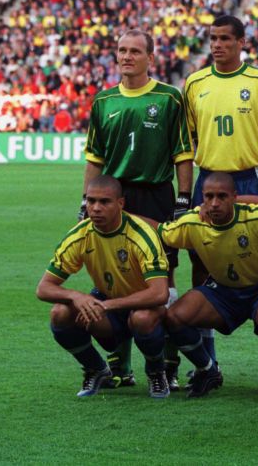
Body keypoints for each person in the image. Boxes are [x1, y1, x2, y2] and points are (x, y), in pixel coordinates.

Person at [82, 29, 194, 389]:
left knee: (165, 274)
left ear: (150, 56)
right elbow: (94, 158)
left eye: (135, 51)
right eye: (121, 51)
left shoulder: (168, 98)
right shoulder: (103, 101)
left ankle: (169, 362)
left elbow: (182, 154)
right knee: (107, 271)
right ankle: (120, 365)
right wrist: (86, 200)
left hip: (155, 194)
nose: (127, 56)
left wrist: (183, 199)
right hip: (113, 193)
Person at [183, 14, 258, 372]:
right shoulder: (195, 83)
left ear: (242, 42)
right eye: (213, 38)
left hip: (249, 179)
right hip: (208, 178)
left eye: (226, 38)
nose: (217, 45)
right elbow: (189, 138)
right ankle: (206, 361)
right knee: (199, 259)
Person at [155, 172, 258, 398]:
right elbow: (161, 231)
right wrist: (125, 218)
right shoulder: (195, 220)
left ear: (235, 197)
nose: (214, 203)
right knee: (174, 317)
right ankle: (208, 370)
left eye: (222, 196)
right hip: (222, 292)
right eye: (209, 197)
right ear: (202, 198)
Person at [37, 176, 170, 398]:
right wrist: (75, 296)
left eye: (104, 202)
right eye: (91, 201)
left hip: (144, 303)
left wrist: (107, 305)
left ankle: (157, 372)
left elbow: (159, 293)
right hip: (107, 302)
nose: (95, 208)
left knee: (142, 319)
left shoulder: (142, 234)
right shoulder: (80, 235)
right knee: (60, 313)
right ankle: (97, 369)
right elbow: (43, 288)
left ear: (120, 203)